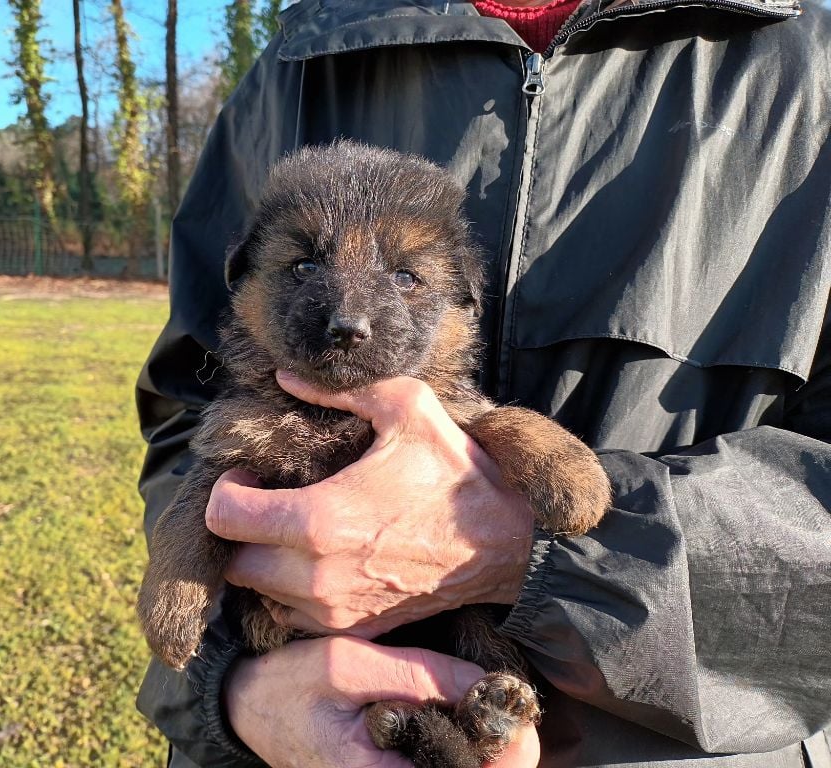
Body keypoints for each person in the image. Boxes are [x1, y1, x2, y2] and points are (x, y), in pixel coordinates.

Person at [134, 0, 831, 765]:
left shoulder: (808, 73)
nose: (347, 317)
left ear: (462, 292)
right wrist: (230, 686)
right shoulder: (298, 57)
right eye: (302, 269)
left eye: (404, 277)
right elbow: (188, 416)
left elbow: (490, 427)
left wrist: (525, 546)